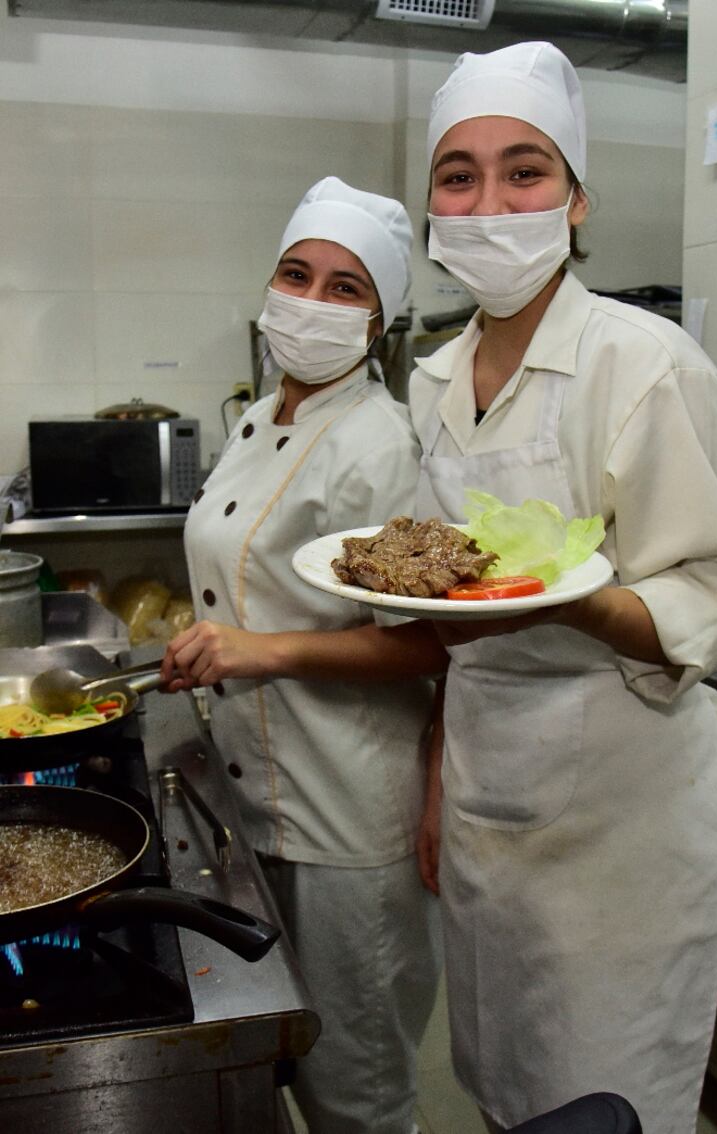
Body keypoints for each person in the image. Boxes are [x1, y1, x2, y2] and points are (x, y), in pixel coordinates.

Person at [163, 44, 717, 1134]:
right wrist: (441, 775)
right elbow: (446, 603)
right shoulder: (439, 378)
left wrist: (569, 597)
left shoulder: (648, 364)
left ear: (575, 196)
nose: (487, 204)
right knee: (501, 1096)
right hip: (493, 797)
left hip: (618, 818)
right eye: (457, 175)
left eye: (522, 171)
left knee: (603, 1107)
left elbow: (709, 598)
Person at [162, 176, 442, 1134]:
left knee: (356, 1093)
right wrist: (211, 640)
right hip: (255, 795)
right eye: (297, 274)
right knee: (285, 1061)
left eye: (345, 288)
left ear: (380, 323)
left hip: (345, 813)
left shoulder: (380, 441)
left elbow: (425, 645)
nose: (311, 303)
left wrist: (256, 649)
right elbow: (243, 580)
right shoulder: (259, 417)